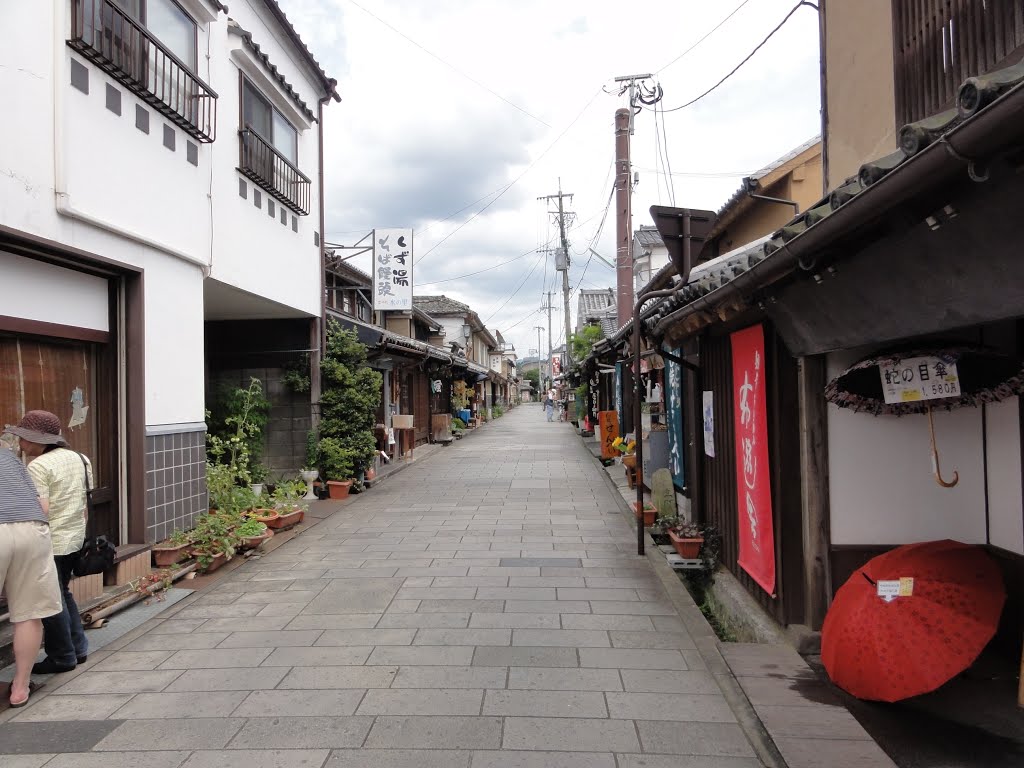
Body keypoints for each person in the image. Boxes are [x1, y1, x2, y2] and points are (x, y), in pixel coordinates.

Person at [4, 411, 91, 674]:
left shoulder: (38, 466)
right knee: (62, 592)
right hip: (75, 536)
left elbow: (41, 508)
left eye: (24, 439)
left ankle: (63, 656)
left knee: (50, 601)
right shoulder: (80, 458)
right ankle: (79, 647)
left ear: (38, 440)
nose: (21, 444)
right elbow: (85, 500)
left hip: (51, 540)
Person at [0, 445, 63, 707]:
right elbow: (43, 505)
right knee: (28, 613)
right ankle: (20, 688)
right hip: (32, 528)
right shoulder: (7, 456)